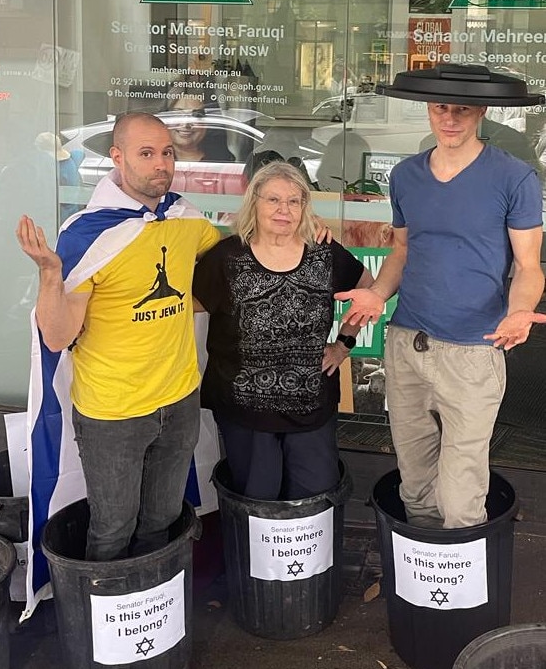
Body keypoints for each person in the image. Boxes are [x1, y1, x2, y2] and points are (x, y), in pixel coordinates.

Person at [16, 111, 221, 561]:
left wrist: (303, 230)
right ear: (117, 157)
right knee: (112, 530)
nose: (160, 164)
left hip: (179, 398)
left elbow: (231, 260)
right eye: (146, 154)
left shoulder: (185, 218)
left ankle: (155, 618)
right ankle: (105, 627)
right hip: (113, 413)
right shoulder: (86, 234)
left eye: (166, 153)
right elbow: (57, 336)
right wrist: (51, 273)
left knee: (163, 522)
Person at [336, 100, 546, 529]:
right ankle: (422, 583)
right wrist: (377, 293)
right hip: (407, 341)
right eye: (440, 108)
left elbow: (528, 266)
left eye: (462, 110)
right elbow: (402, 250)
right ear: (429, 110)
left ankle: (461, 588)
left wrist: (519, 310)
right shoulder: (406, 176)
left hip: (473, 350)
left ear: (482, 111)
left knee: (460, 490)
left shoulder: (512, 176)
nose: (449, 119)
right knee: (414, 481)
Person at [192, 161, 374, 501]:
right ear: (254, 202)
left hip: (312, 409)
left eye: (294, 201)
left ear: (305, 207)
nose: (284, 210)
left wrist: (343, 345)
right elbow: (187, 305)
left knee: (313, 501)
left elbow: (368, 291)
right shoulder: (226, 257)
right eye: (273, 200)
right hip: (245, 412)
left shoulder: (325, 254)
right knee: (256, 501)